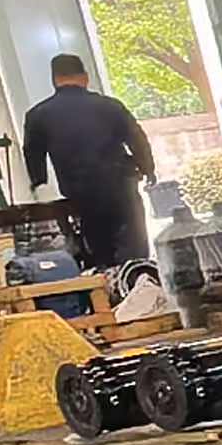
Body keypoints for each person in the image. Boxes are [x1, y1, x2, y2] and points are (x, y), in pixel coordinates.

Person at [21, 51, 155, 276]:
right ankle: (138, 284)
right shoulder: (110, 106)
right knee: (134, 250)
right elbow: (136, 138)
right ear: (85, 77)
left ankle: (107, 285)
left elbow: (32, 154)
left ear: (55, 80)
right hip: (120, 187)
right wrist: (147, 168)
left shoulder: (38, 115)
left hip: (80, 196)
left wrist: (39, 184)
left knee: (99, 253)